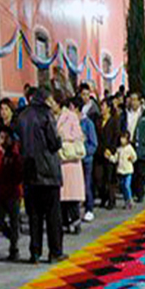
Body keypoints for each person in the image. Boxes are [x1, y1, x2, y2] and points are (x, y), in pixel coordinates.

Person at [15, 86, 65, 263]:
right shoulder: (46, 115)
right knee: (53, 215)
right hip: (48, 171)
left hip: (29, 170)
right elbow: (53, 143)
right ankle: (55, 251)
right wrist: (59, 139)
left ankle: (35, 252)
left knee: (34, 215)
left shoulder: (22, 115)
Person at [55, 95, 86, 234]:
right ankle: (63, 222)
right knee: (61, 196)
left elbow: (78, 136)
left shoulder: (70, 116)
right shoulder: (50, 117)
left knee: (72, 196)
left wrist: (64, 139)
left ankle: (75, 220)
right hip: (59, 162)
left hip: (71, 161)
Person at [0, 126, 23, 261]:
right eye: (0, 138)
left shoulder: (15, 154)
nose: (2, 141)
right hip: (0, 192)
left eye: (5, 138)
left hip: (13, 192)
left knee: (14, 220)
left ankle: (14, 247)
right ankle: (12, 236)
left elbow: (19, 173)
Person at [122, 91, 145, 202]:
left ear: (140, 101)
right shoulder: (126, 114)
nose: (133, 102)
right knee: (131, 171)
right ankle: (132, 192)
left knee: (140, 172)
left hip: (141, 147)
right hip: (129, 146)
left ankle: (140, 194)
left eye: (135, 99)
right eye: (131, 99)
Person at [95, 98, 120, 209]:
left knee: (110, 178)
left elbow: (116, 137)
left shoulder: (114, 121)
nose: (101, 108)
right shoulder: (98, 121)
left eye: (103, 106)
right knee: (99, 177)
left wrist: (110, 150)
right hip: (99, 153)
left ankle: (111, 200)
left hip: (110, 153)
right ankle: (103, 197)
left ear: (109, 108)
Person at [78, 97, 98, 222]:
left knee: (87, 184)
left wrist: (85, 153)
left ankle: (89, 208)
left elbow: (93, 143)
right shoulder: (71, 123)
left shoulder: (88, 123)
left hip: (86, 160)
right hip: (74, 160)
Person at [114, 132, 137, 209]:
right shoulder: (119, 149)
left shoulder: (129, 148)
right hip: (121, 170)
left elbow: (134, 157)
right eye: (121, 138)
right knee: (123, 186)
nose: (122, 140)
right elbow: (115, 159)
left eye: (124, 138)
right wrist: (109, 157)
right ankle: (126, 200)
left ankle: (130, 199)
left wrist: (132, 158)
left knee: (127, 185)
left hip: (128, 170)